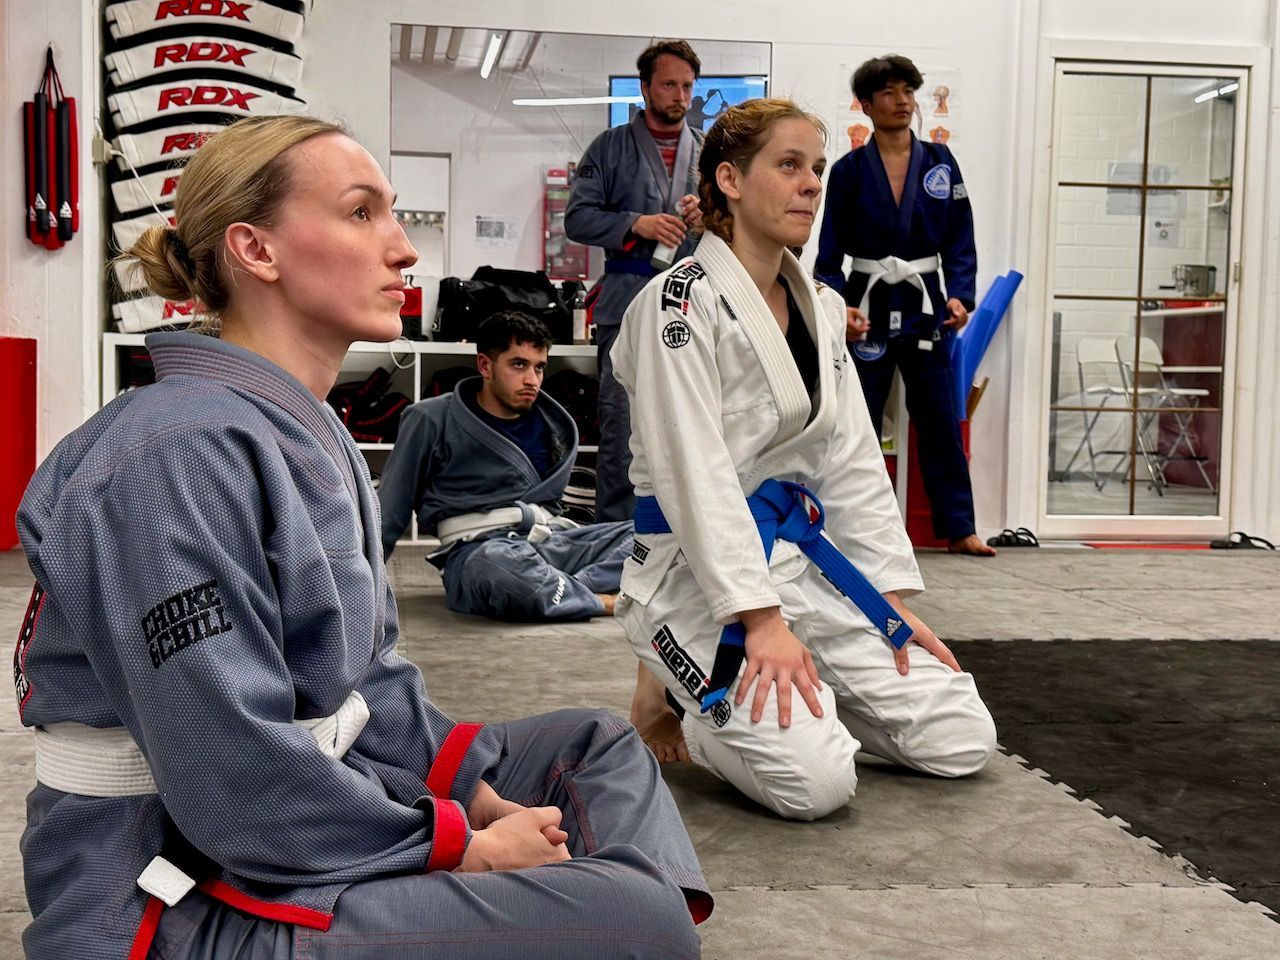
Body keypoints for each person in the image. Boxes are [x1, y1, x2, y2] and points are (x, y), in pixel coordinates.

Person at [13, 115, 710, 960]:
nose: (403, 250)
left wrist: (470, 792)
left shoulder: (309, 429)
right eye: (360, 213)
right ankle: (603, 923)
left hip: (312, 804)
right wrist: (452, 845)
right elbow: (232, 773)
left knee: (595, 744)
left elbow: (364, 677)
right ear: (257, 251)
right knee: (642, 921)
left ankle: (585, 920)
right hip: (174, 887)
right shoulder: (172, 456)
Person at [612, 98, 997, 821]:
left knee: (961, 736)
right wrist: (760, 621)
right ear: (729, 179)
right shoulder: (676, 305)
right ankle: (675, 684)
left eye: (817, 168)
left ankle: (794, 701)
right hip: (691, 574)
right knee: (815, 785)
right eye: (789, 166)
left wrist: (889, 606)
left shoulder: (822, 307)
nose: (812, 184)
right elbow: (694, 477)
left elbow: (851, 461)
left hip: (796, 562)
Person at [815, 55, 995, 556]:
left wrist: (960, 295)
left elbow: (961, 237)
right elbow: (828, 251)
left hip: (925, 304)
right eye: (890, 93)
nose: (902, 101)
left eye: (907, 92)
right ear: (867, 105)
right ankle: (850, 531)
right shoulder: (849, 171)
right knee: (856, 422)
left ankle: (958, 528)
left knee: (939, 416)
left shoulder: (941, 163)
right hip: (866, 305)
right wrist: (834, 307)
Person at [378, 311, 633, 622]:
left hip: (550, 545)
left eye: (539, 368)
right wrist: (361, 584)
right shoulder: (430, 418)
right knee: (498, 569)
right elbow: (389, 512)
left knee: (662, 536)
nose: (532, 380)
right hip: (479, 552)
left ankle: (562, 591)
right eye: (518, 365)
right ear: (485, 365)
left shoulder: (552, 425)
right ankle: (590, 598)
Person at [564, 39, 704, 523]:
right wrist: (634, 224)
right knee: (622, 422)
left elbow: (735, 230)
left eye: (687, 86)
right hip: (624, 299)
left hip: (690, 300)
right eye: (669, 84)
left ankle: (684, 532)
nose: (680, 95)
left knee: (690, 422)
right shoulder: (609, 148)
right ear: (645, 88)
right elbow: (577, 220)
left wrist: (709, 218)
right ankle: (614, 536)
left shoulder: (706, 155)